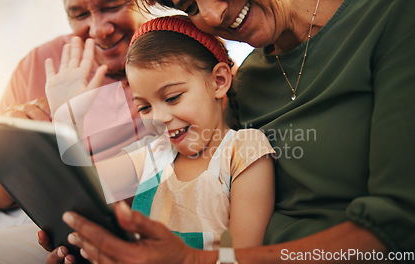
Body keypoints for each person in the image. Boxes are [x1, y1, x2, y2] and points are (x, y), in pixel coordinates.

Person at [46, 0, 415, 263]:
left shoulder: (392, 17)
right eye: (190, 5)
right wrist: (87, 230)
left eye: (171, 97)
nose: (212, 13)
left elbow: (396, 229)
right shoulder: (247, 79)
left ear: (219, 80)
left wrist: (191, 260)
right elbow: (105, 183)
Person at [0, 0, 151, 262]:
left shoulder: (175, 63)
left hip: (61, 224)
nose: (97, 29)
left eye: (112, 6)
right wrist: (17, 146)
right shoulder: (38, 63)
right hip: (0, 211)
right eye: (79, 14)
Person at [41, 15, 275, 262]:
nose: (158, 118)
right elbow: (77, 191)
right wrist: (65, 123)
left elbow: (243, 257)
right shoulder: (154, 153)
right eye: (144, 108)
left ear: (218, 81)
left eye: (173, 97)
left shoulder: (244, 149)